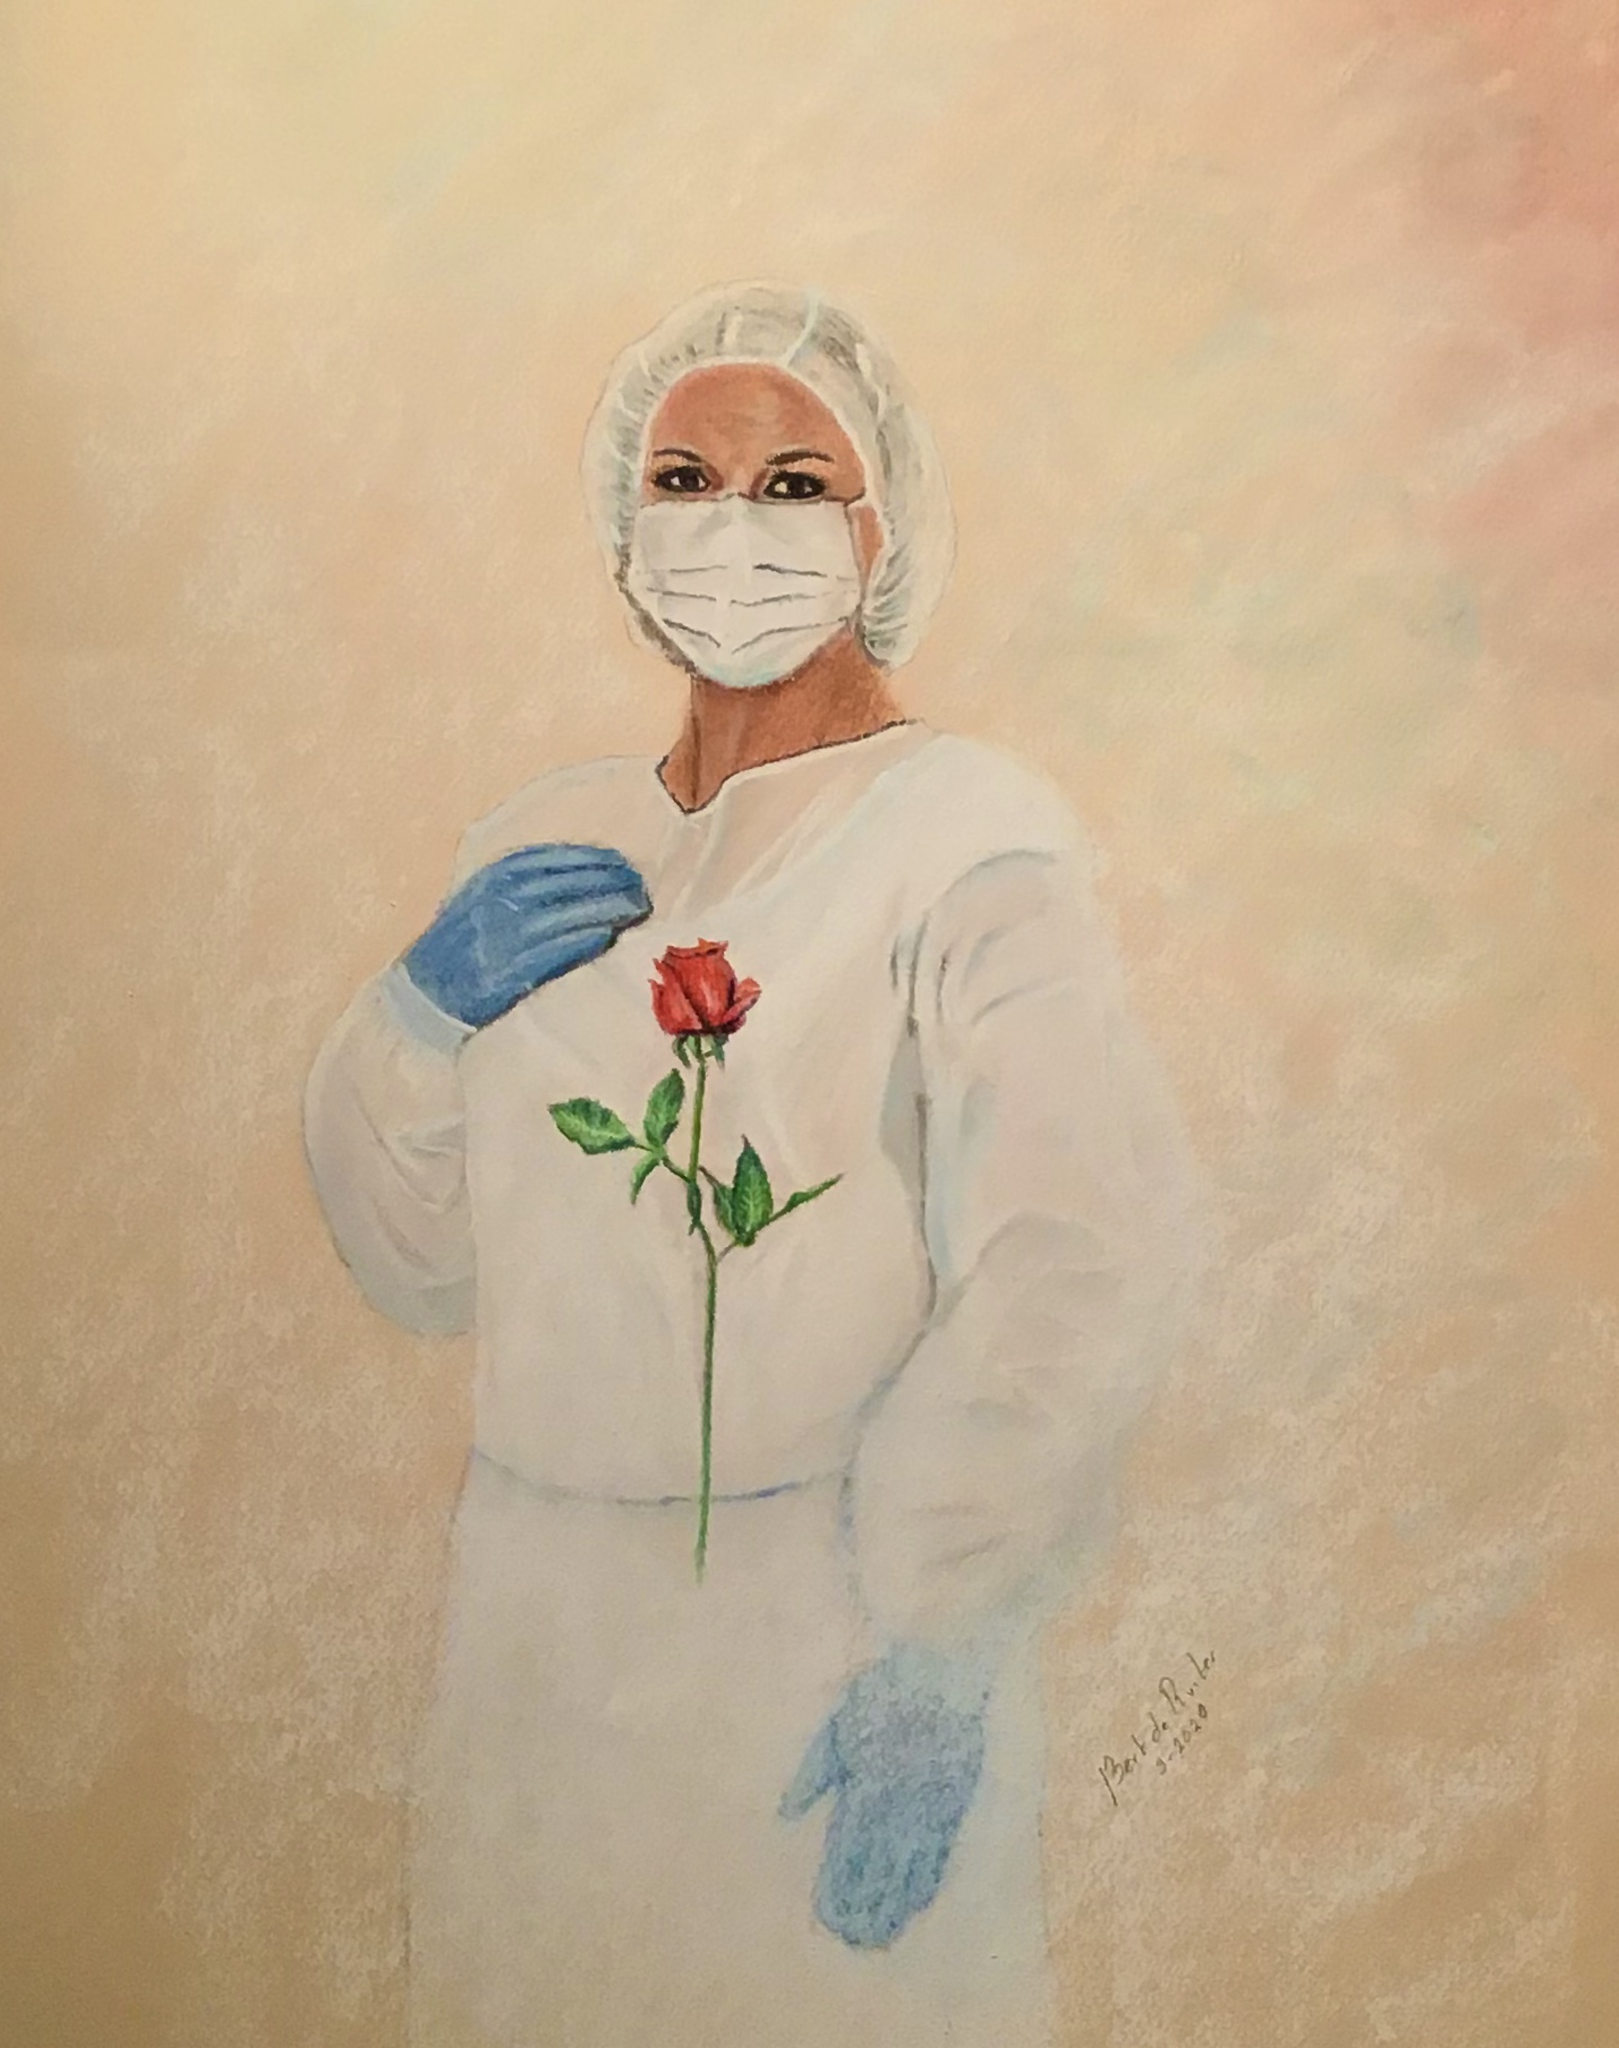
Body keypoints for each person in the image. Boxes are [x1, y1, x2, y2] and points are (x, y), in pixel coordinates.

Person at [303, 282, 1204, 2048]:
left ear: (882, 529)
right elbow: (420, 1269)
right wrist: (410, 1023)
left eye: (794, 485)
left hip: (826, 1640)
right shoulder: (546, 841)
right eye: (684, 480)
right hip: (541, 1641)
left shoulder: (966, 837)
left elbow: (1078, 1250)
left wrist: (944, 1637)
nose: (732, 530)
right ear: (625, 525)